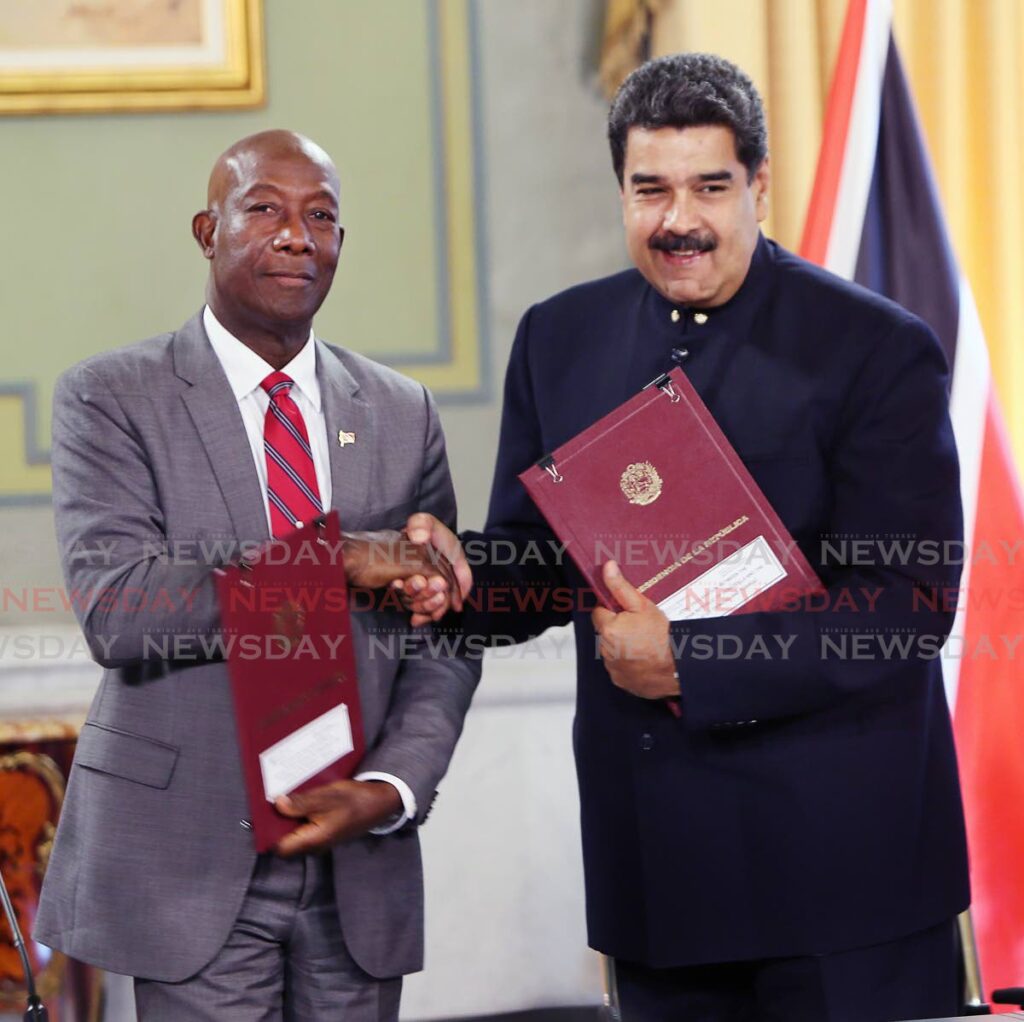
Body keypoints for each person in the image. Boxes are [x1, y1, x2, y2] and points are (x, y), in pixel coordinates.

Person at [406, 54, 969, 1021]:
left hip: (841, 874)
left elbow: (907, 607)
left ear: (759, 183)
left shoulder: (876, 348)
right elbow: (540, 562)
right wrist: (455, 575)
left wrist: (691, 663)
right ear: (621, 190)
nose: (680, 220)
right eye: (650, 189)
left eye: (711, 186)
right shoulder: (559, 337)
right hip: (658, 872)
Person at [35, 129, 480, 1021]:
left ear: (341, 245)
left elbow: (444, 631)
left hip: (355, 862)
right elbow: (122, 611)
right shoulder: (111, 397)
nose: (296, 236)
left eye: (321, 216)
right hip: (187, 864)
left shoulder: (400, 412)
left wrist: (391, 789)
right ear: (207, 230)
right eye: (265, 209)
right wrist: (339, 558)